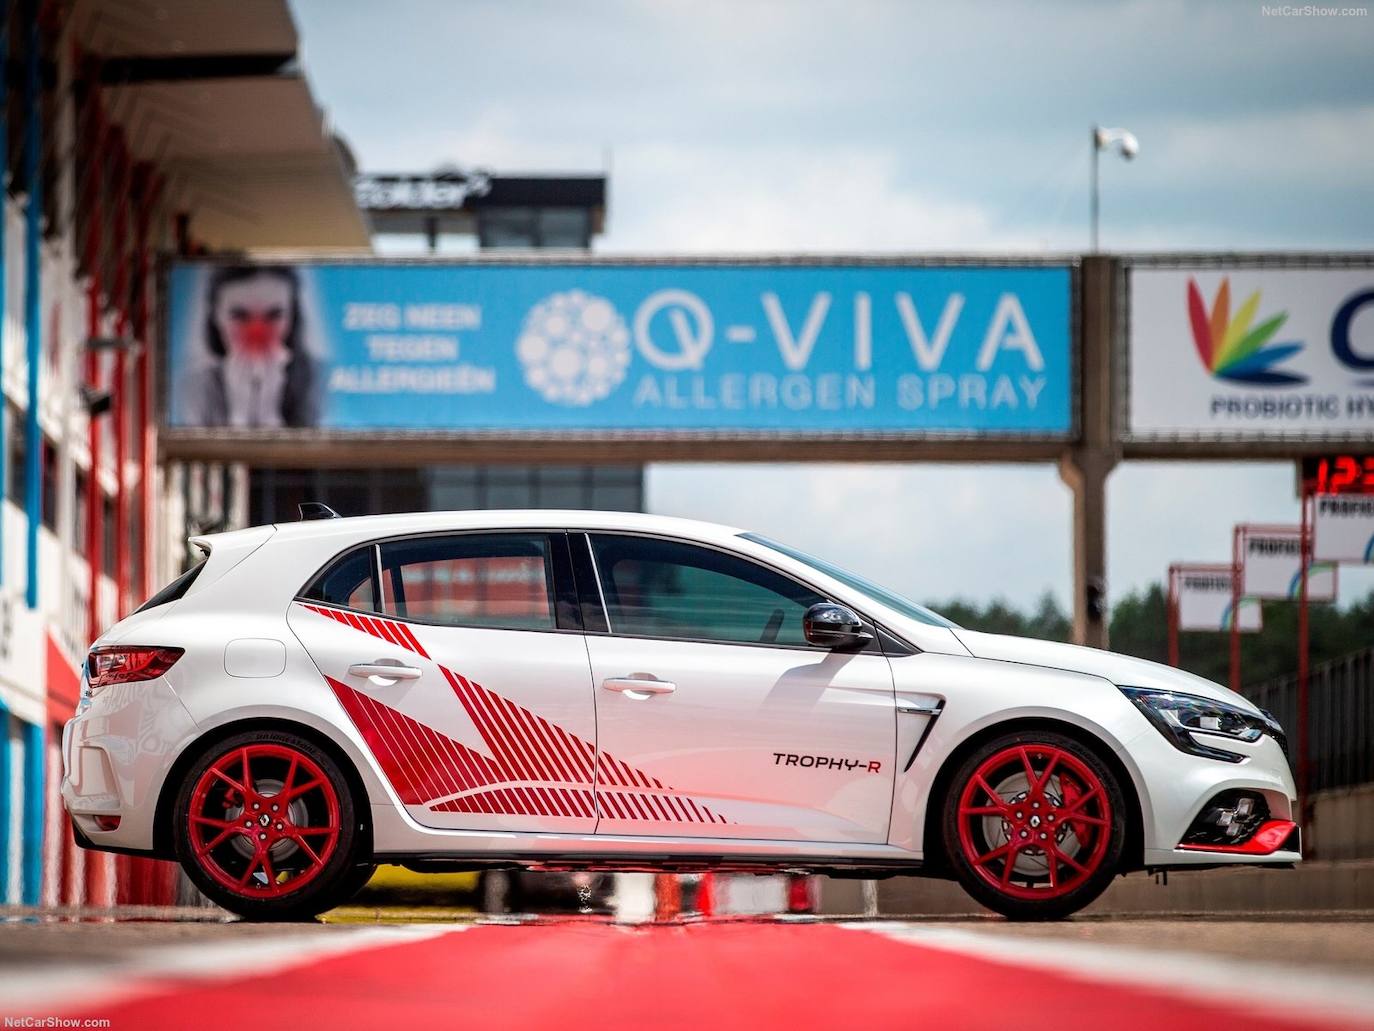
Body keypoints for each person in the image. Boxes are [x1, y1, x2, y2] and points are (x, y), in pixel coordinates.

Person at [178, 265, 320, 428]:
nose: (257, 335)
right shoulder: (192, 389)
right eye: (239, 316)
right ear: (216, 316)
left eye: (274, 316)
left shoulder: (322, 383)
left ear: (293, 317)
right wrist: (238, 414)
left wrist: (269, 414)